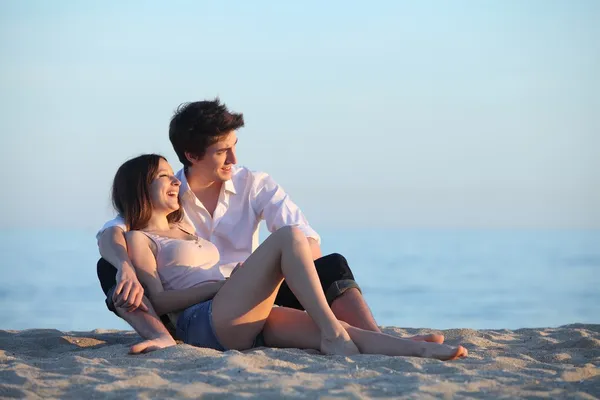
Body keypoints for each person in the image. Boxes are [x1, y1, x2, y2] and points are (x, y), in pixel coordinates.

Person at [97, 98, 443, 353]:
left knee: (328, 262)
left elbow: (307, 242)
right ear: (191, 155)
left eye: (235, 147)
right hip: (208, 305)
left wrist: (265, 272)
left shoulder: (255, 183)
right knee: (108, 267)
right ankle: (158, 332)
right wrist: (126, 266)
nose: (233, 160)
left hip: (261, 287)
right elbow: (114, 232)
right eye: (222, 152)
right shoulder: (167, 195)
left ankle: (385, 341)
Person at [113, 153, 468, 360]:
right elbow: (159, 300)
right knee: (288, 237)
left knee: (335, 331)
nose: (175, 182)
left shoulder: (185, 230)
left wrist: (233, 283)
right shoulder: (138, 237)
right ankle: (333, 332)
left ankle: (413, 351)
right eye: (164, 177)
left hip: (235, 315)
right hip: (202, 322)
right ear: (140, 188)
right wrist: (223, 286)